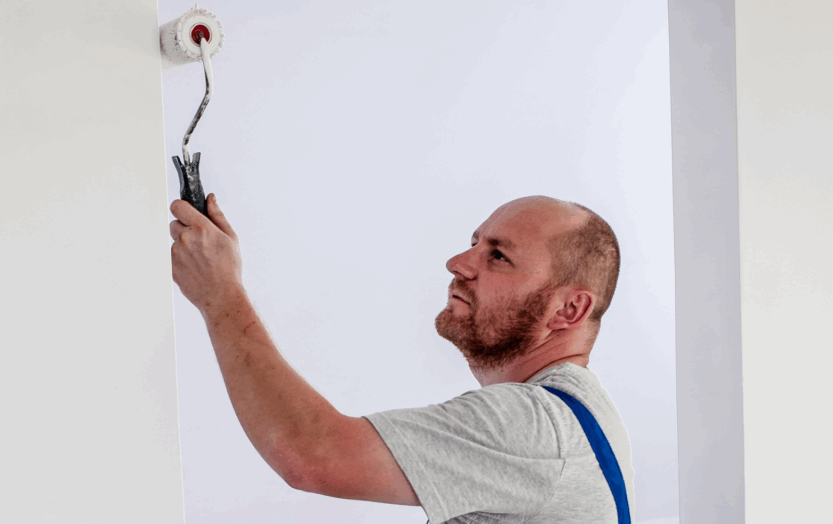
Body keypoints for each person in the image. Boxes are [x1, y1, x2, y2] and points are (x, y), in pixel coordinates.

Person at [169, 193, 635, 523]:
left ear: (569, 310)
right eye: (475, 242)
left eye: (498, 256)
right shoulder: (576, 415)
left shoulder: (535, 426)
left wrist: (220, 294)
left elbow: (312, 454)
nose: (459, 262)